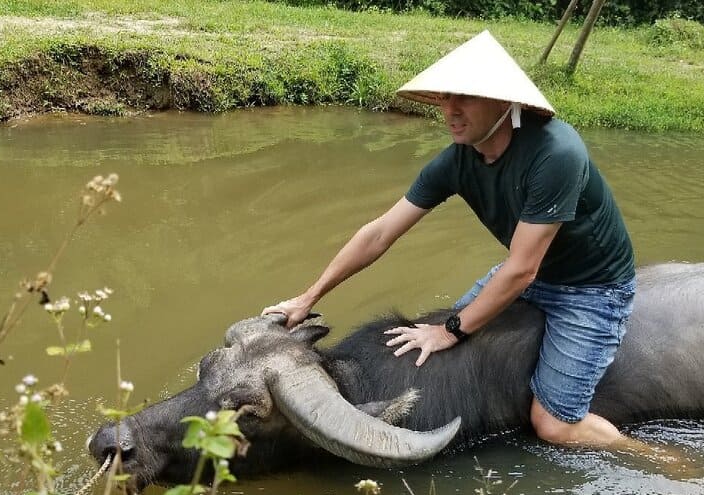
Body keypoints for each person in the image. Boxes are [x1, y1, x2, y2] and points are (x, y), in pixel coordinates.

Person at [263, 30, 638, 451]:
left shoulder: (556, 154)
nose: (451, 111)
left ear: (503, 102)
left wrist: (450, 330)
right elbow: (381, 232)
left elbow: (521, 269)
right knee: (447, 357)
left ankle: (655, 456)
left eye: (466, 98)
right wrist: (308, 297)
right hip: (533, 273)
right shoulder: (460, 159)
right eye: (444, 97)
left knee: (553, 425)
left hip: (591, 289)